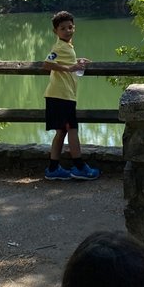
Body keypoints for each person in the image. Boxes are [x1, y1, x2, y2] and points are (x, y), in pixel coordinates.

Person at [43, 10, 100, 181]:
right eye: (63, 28)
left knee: (61, 131)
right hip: (61, 96)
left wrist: (76, 62)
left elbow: (64, 61)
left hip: (60, 95)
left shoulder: (66, 47)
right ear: (55, 31)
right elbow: (47, 64)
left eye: (70, 27)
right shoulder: (58, 47)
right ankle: (80, 167)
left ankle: (53, 168)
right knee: (72, 129)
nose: (67, 31)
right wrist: (70, 68)